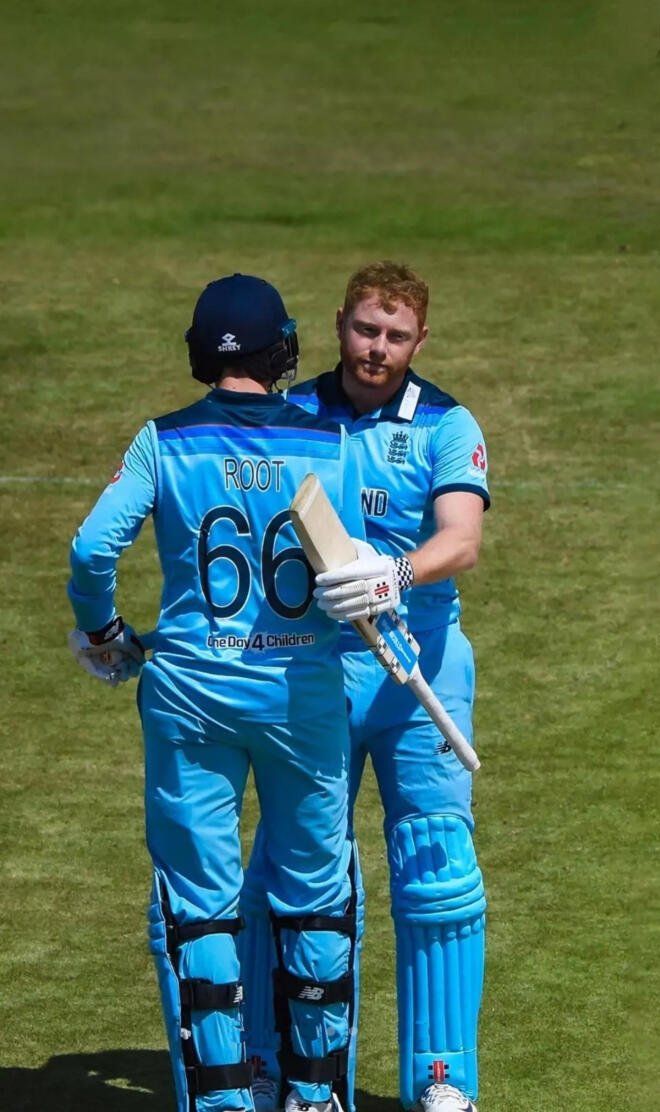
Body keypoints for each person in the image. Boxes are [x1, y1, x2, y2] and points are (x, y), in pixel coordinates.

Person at [66, 274, 365, 1112]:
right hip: (302, 701)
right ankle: (314, 1096)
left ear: (201, 354)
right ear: (285, 351)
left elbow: (93, 551)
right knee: (316, 900)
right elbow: (361, 575)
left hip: (190, 695)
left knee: (201, 907)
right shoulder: (330, 446)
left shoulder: (160, 443)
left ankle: (223, 1101)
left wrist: (103, 632)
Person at [239, 262, 490, 1112]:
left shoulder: (448, 424)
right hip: (311, 672)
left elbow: (461, 539)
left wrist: (395, 574)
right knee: (294, 867)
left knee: (436, 867)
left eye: (395, 336)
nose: (376, 350)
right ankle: (278, 1066)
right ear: (339, 324)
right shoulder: (291, 415)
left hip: (420, 665)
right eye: (363, 330)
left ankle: (441, 1078)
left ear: (420, 341)